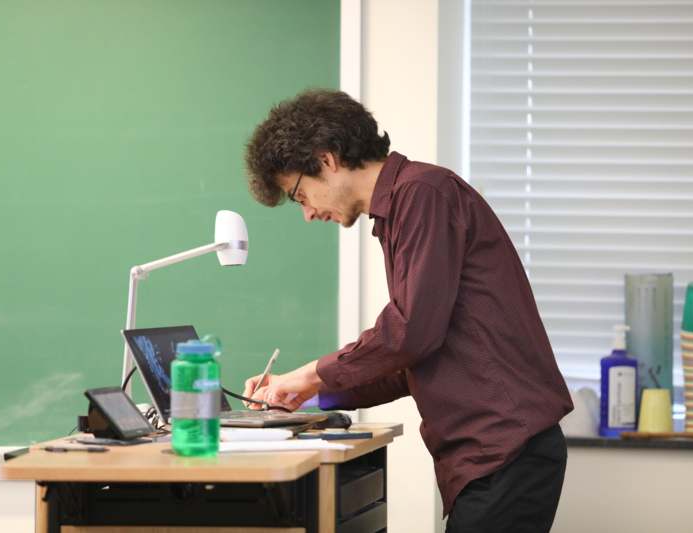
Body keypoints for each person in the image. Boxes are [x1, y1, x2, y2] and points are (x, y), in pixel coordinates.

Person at [242, 89, 574, 533]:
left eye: (300, 195)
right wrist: (312, 395)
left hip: (505, 448)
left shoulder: (423, 194)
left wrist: (309, 374)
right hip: (492, 454)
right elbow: (411, 357)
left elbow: (410, 333)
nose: (307, 213)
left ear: (327, 160)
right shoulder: (400, 211)